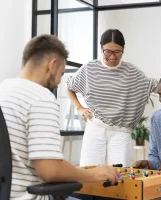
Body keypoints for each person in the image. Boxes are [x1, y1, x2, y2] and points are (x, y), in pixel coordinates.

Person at [0, 34, 119, 200]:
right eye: (62, 74)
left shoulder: (3, 89)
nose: (58, 83)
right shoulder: (41, 97)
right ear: (52, 65)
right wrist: (92, 173)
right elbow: (50, 170)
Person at [67, 29, 161, 167]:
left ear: (123, 50)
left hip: (120, 132)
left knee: (119, 177)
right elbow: (70, 86)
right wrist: (80, 107)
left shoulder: (131, 72)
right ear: (101, 48)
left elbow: (156, 86)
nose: (112, 57)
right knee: (89, 174)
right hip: (95, 128)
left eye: (117, 52)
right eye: (108, 51)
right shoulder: (90, 68)